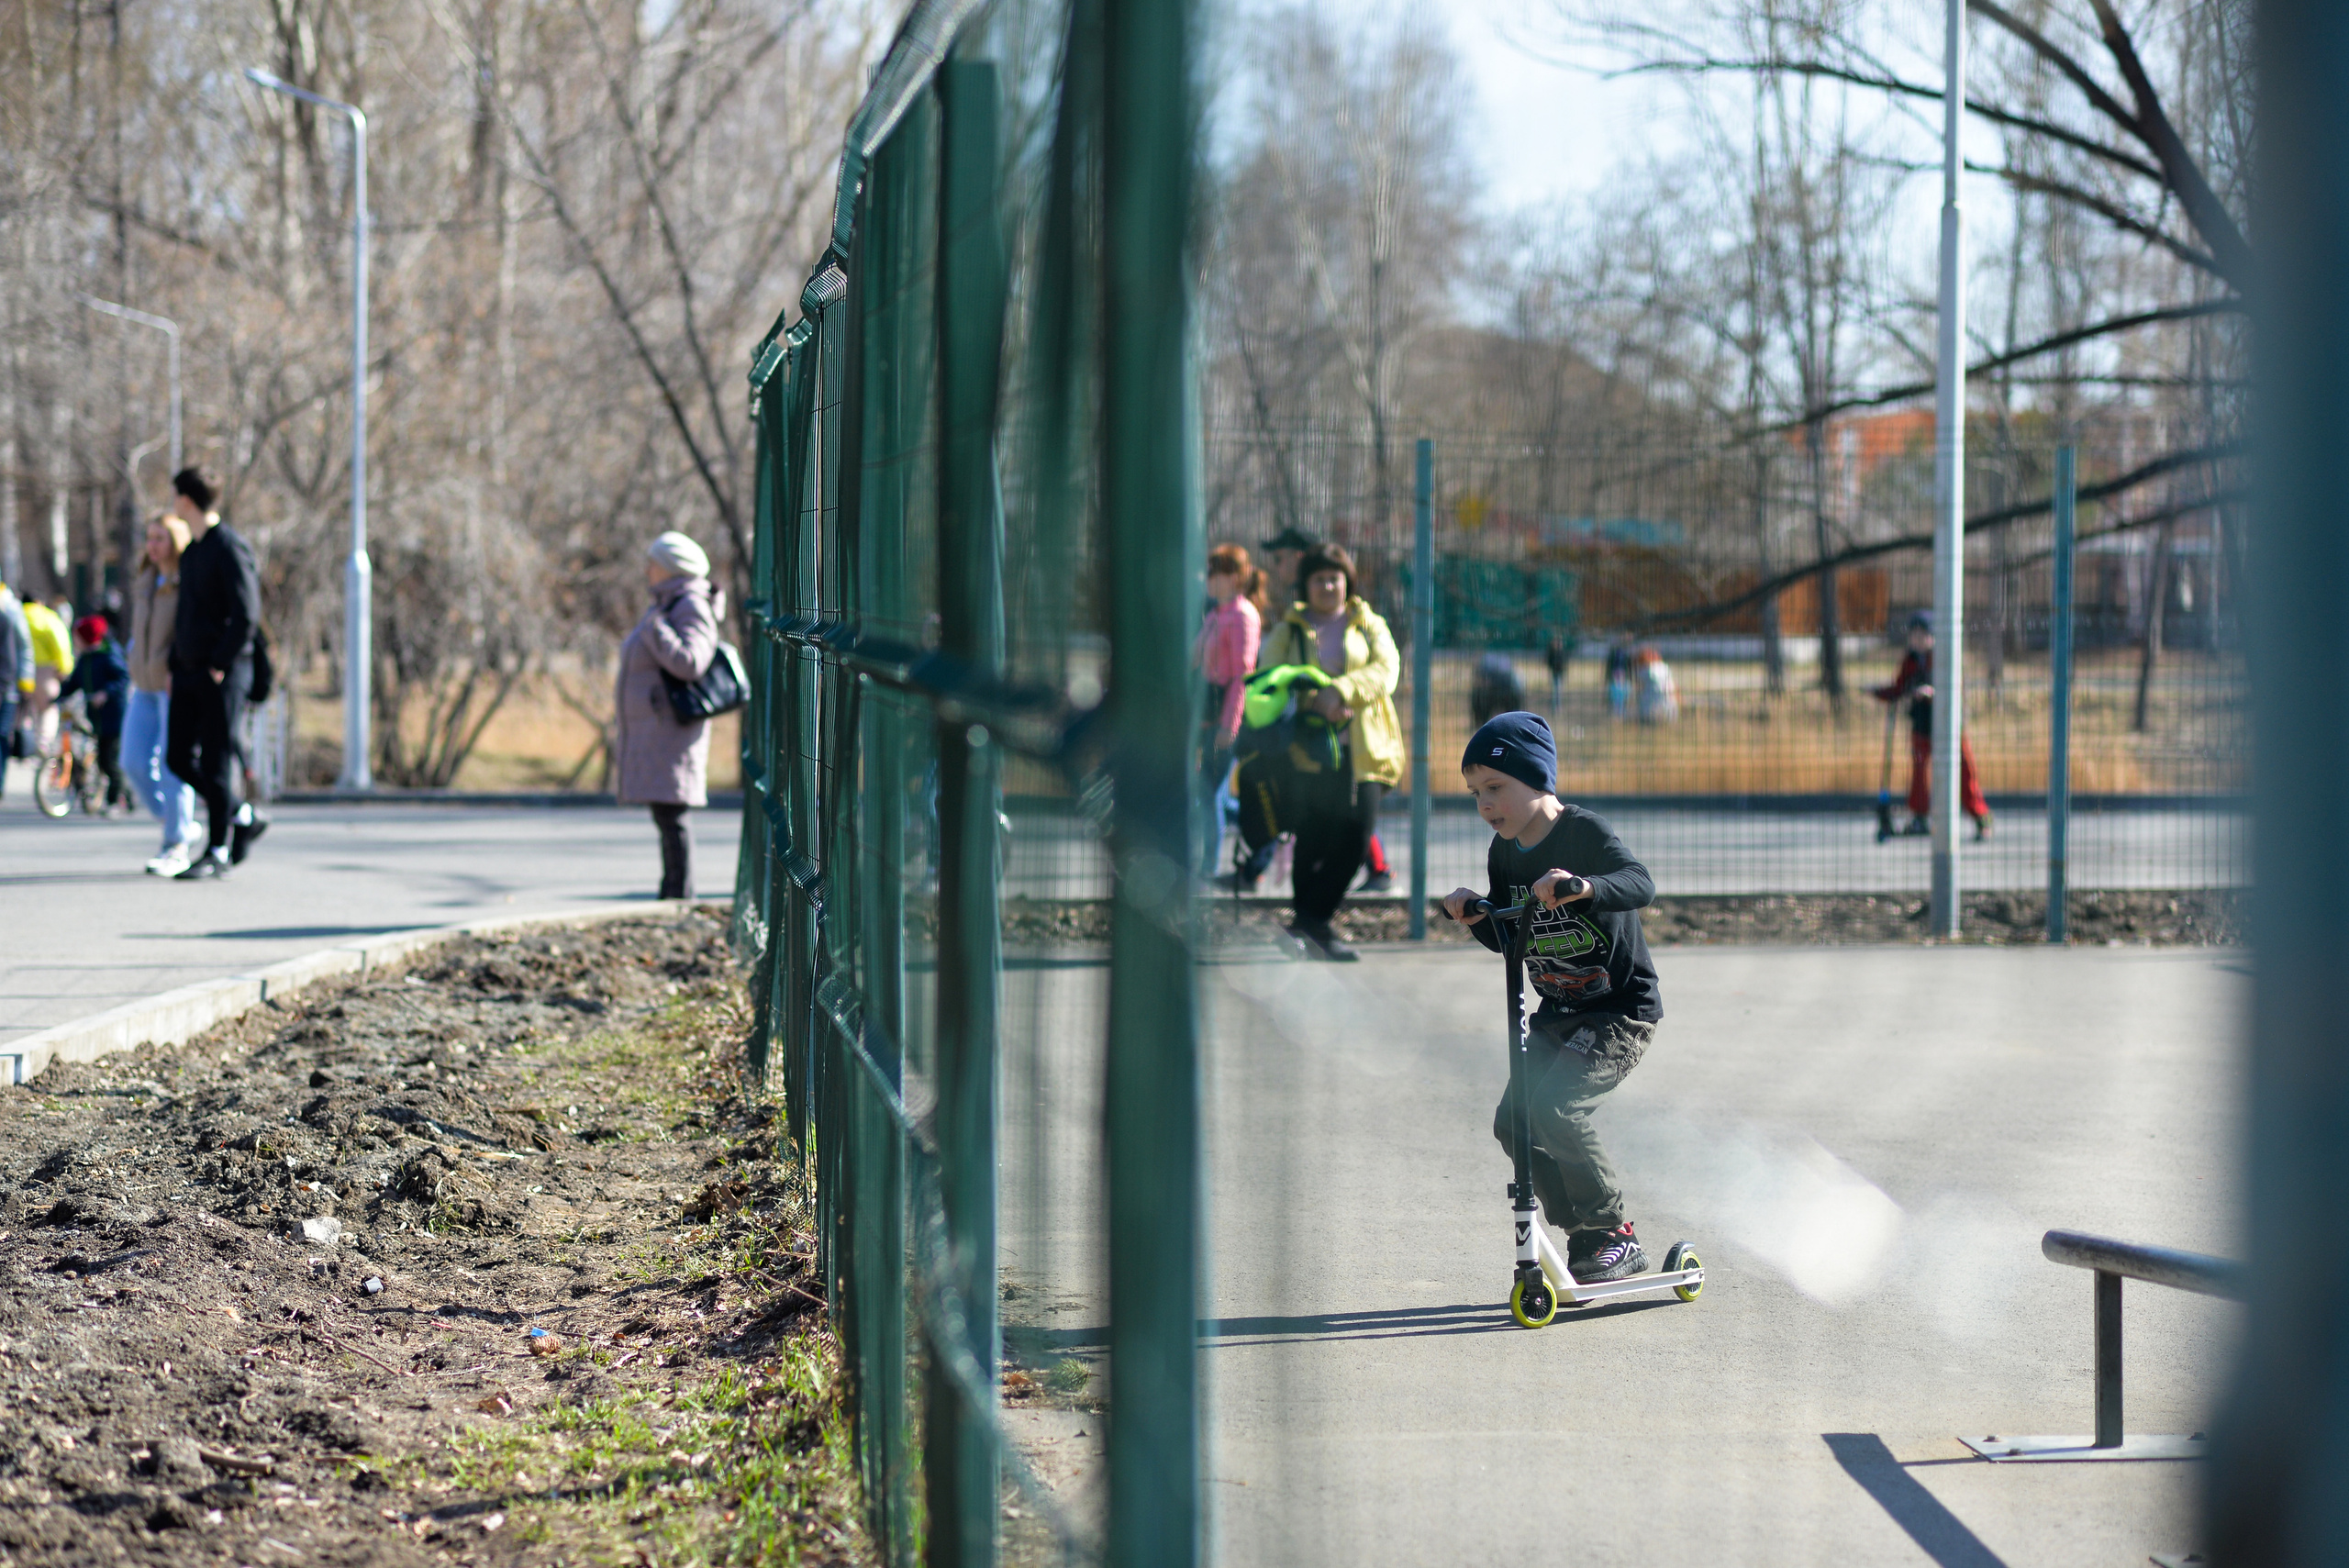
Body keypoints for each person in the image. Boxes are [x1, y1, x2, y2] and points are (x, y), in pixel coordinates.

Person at [1442, 711, 1660, 1284]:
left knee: (1557, 1109)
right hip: (1556, 1012)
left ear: (1538, 780)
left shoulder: (1583, 833)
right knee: (1513, 1123)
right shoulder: (1504, 852)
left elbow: (1639, 882)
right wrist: (1476, 916)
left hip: (1616, 1012)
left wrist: (1584, 886)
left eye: (1496, 788)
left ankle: (1615, 1232)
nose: (1486, 804)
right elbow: (1508, 939)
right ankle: (1583, 1230)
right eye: (1475, 794)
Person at [1255, 542, 1401, 961]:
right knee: (1313, 839)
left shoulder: (1369, 623)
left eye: (1335, 577)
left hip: (1364, 748)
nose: (1328, 585)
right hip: (1308, 749)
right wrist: (1309, 694)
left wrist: (1342, 689)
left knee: (1357, 835)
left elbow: (1387, 669)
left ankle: (1309, 922)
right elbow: (1269, 677)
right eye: (1319, 578)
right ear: (1307, 585)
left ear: (1347, 582)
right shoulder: (1289, 629)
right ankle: (1311, 927)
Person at [166, 466, 266, 880]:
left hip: (224, 672)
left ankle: (218, 849)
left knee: (215, 761)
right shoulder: (192, 551)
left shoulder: (229, 547)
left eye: (175, 497)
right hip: (189, 671)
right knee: (176, 757)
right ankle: (241, 813)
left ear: (186, 500)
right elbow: (186, 615)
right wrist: (176, 662)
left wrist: (221, 662)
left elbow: (247, 614)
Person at [616, 530, 722, 899]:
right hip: (660, 731)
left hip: (671, 732)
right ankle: (673, 891)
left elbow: (691, 662)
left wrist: (655, 628)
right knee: (665, 814)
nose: (647, 569)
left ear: (670, 567)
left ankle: (679, 894)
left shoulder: (689, 605)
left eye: (653, 563)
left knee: (672, 815)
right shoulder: (667, 603)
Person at [1873, 611, 1992, 840]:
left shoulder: (1943, 659)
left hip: (1949, 727)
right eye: (1914, 635)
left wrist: (1933, 693)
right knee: (1919, 773)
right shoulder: (1910, 661)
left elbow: (1953, 689)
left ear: (1933, 637)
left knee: (1965, 772)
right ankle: (1919, 817)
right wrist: (1879, 692)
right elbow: (1899, 688)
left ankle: (1980, 817)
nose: (1917, 639)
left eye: (1923, 634)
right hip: (1922, 726)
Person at [125, 513, 201, 873]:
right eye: (149, 537)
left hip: (172, 685)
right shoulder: (144, 578)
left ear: (176, 541)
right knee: (132, 763)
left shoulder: (186, 580)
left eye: (160, 538)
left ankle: (176, 844)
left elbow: (189, 632)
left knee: (174, 767)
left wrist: (178, 669)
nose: (152, 545)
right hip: (142, 684)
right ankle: (177, 823)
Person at [1195, 543, 1263, 878]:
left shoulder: (1242, 616)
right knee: (1211, 794)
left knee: (1207, 792)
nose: (1208, 579)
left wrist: (1229, 725)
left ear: (1234, 577)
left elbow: (1241, 675)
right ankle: (1266, 834)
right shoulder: (1215, 614)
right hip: (1205, 715)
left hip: (1225, 719)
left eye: (1215, 572)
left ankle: (1205, 870)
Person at [60, 615, 131, 814]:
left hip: (113, 717)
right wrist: (59, 696)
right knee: (103, 759)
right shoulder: (85, 659)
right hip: (96, 718)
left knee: (109, 761)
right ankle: (126, 794)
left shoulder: (109, 655)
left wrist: (105, 693)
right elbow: (74, 682)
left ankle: (114, 802)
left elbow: (122, 678)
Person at [23, 592, 73, 752]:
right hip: (44, 671)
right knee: (48, 708)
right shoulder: (48, 617)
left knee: (25, 709)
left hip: (18, 670)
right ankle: (43, 745)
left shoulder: (14, 615)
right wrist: (65, 669)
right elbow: (61, 644)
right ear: (39, 601)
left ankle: (23, 744)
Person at [0, 584, 28, 795]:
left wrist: (24, 681)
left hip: (5, 690)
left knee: (1, 736)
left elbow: (11, 658)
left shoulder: (6, 617)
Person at [1470, 651, 1528, 728]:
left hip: (1506, 690)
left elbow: (1481, 683)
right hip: (1509, 689)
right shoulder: (1498, 664)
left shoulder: (1485, 664)